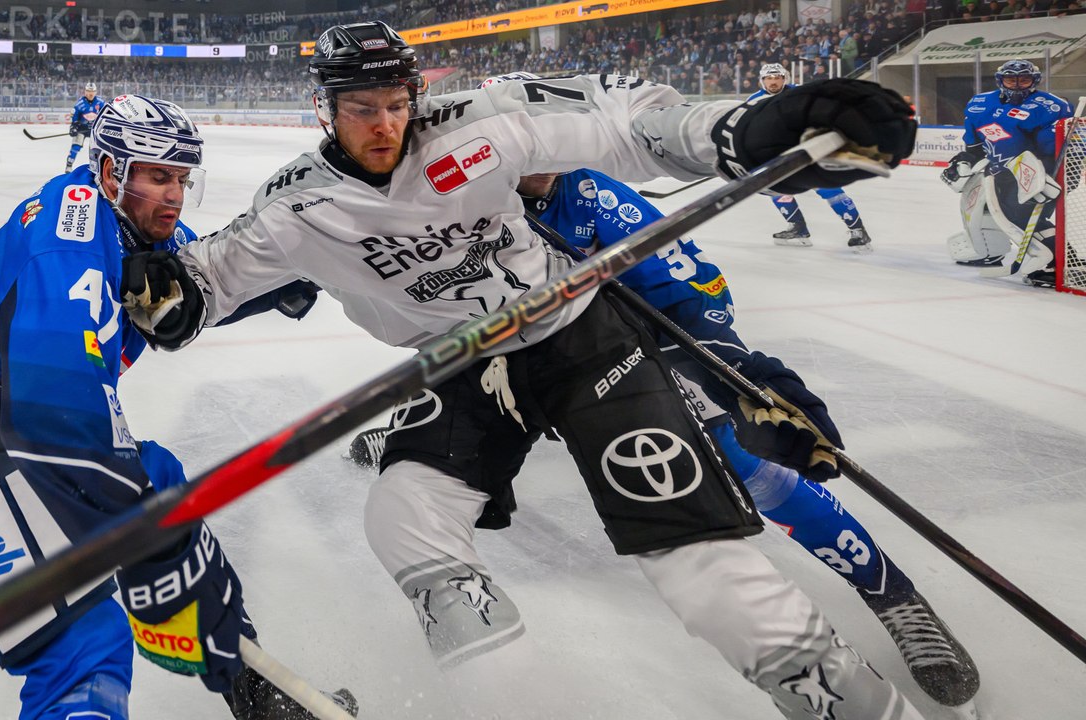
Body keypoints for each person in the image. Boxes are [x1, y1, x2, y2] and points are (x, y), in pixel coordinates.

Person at [143, 21, 920, 719]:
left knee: (689, 553)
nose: (384, 124)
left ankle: (851, 702)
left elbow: (627, 122)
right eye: (361, 109)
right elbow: (205, 281)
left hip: (580, 339)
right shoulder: (296, 206)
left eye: (395, 102)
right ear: (325, 109)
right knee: (402, 514)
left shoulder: (479, 121)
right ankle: (511, 698)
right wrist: (157, 289)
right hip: (465, 368)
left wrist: (751, 126)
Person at [346, 76, 980, 713]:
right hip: (518, 365)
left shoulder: (598, 198)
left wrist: (732, 373)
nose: (543, 170)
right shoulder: (454, 204)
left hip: (629, 357)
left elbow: (691, 289)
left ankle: (893, 594)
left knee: (743, 462)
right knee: (471, 417)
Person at [0, 94, 353, 720]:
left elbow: (207, 282)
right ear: (109, 172)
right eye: (157, 176)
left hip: (4, 415)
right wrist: (148, 533)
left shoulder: (138, 227)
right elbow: (56, 410)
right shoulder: (68, 237)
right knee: (80, 638)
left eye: (181, 178)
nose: (174, 195)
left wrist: (301, 275)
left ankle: (248, 686)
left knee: (162, 487)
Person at [942, 59, 1073, 287]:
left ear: (1034, 81)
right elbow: (974, 146)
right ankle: (990, 251)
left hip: (1042, 172)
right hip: (1000, 171)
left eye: (1024, 80)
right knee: (987, 210)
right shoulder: (979, 103)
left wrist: (1048, 175)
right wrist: (964, 160)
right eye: (1011, 79)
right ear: (1000, 80)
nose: (1017, 85)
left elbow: (1056, 147)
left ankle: (1061, 264)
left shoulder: (1050, 106)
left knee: (1022, 215)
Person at [751, 64, 873, 251]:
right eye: (769, 78)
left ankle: (858, 230)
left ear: (785, 78)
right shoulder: (754, 101)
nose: (773, 82)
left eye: (777, 77)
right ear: (762, 80)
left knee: (828, 188)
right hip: (779, 153)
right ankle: (798, 229)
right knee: (778, 189)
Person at [67, 81, 106, 173]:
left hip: (95, 130)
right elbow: (75, 118)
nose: (90, 93)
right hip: (82, 129)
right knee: (75, 147)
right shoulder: (79, 104)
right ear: (85, 92)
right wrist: (74, 128)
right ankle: (69, 166)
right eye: (88, 91)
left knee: (99, 149)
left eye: (92, 91)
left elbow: (105, 116)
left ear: (96, 92)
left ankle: (99, 169)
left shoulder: (101, 103)